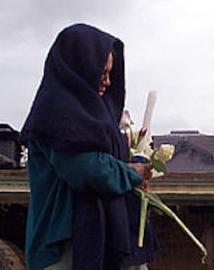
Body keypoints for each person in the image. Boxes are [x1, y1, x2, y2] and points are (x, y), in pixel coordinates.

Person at [20, 23, 158, 269]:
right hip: (63, 246)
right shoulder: (56, 113)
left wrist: (133, 167)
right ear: (78, 68)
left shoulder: (93, 116)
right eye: (101, 73)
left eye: (110, 74)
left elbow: (105, 160)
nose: (106, 82)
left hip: (97, 238)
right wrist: (131, 173)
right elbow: (87, 169)